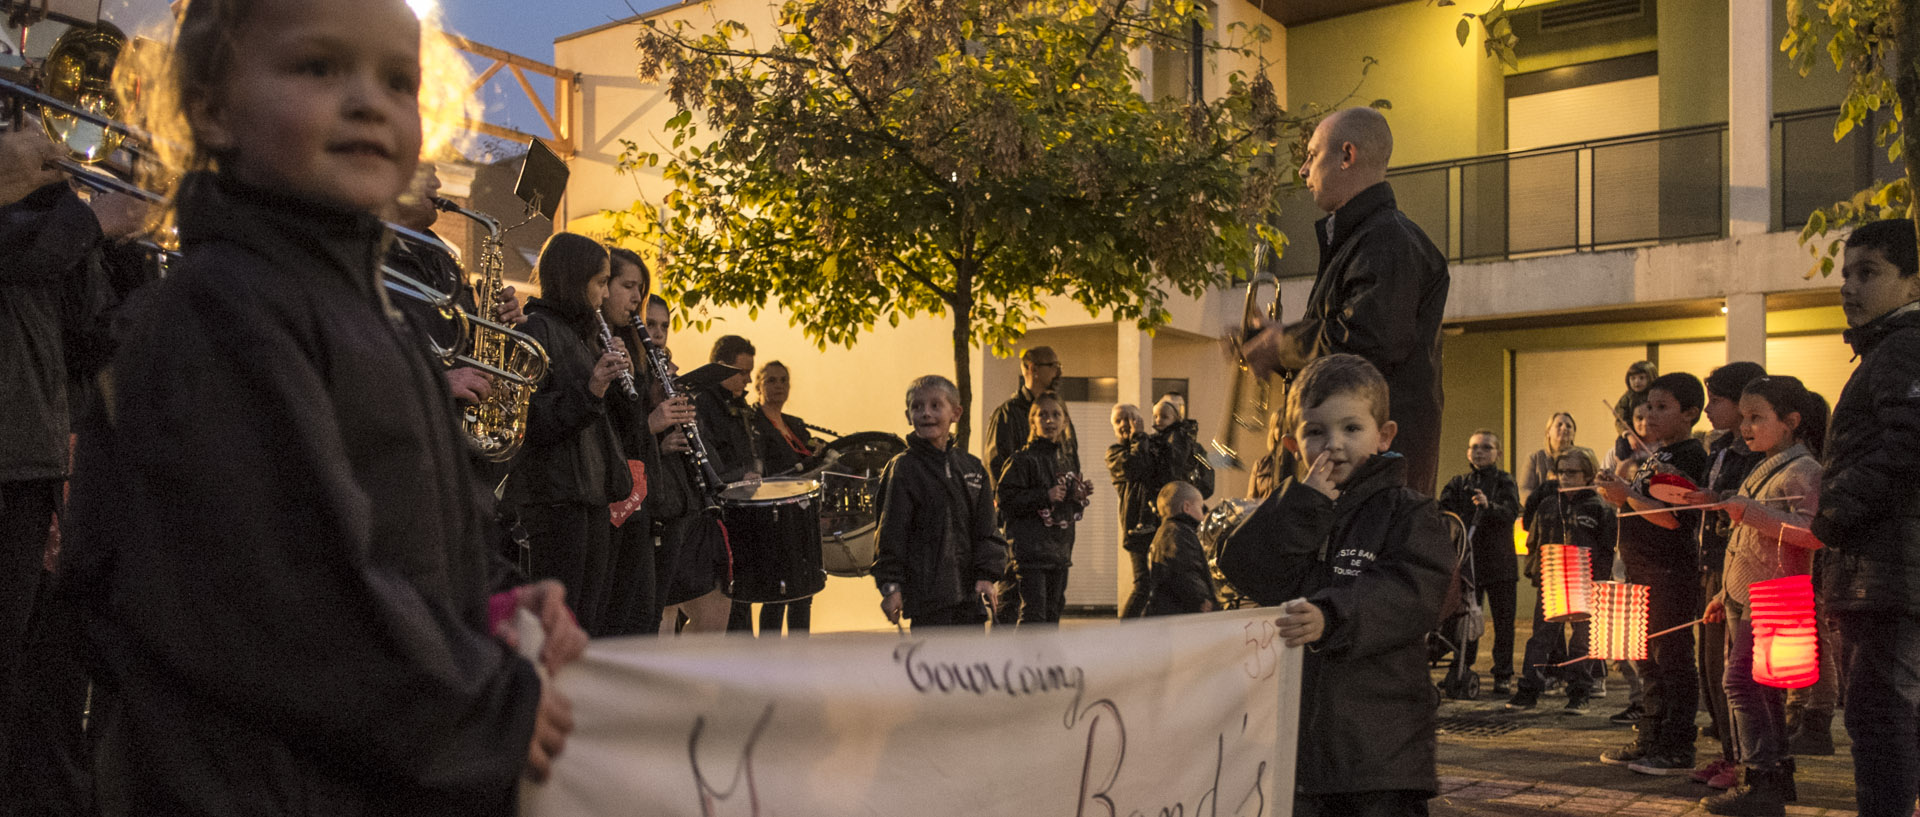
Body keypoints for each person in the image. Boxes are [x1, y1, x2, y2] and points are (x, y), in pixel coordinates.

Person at [56, 0, 585, 811]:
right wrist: (486, 704)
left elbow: (391, 539)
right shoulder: (223, 312)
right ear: (211, 106)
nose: (369, 100)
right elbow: (292, 604)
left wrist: (490, 610)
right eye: (317, 67)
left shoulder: (367, 310)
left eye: (398, 80)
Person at [1216, 354, 1453, 817]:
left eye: (1351, 429)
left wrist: (1333, 614)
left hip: (1381, 750)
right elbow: (1244, 565)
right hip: (1298, 746)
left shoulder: (1409, 512)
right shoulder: (1295, 507)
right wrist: (1301, 505)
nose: (1334, 445)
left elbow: (1413, 592)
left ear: (1383, 436)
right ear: (1292, 444)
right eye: (1315, 432)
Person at [1240, 106, 1450, 497]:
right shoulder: (1369, 239)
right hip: (1359, 482)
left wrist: (1281, 343)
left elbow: (1364, 346)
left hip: (1371, 487)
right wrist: (1276, 346)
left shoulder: (1387, 241)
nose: (1303, 170)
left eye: (1311, 155)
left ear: (1347, 155)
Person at [1814, 218, 1920, 817]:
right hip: (1882, 572)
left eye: (1869, 272)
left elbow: (1909, 444)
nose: (1850, 287)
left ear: (1912, 282)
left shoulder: (1903, 346)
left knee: (1881, 719)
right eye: (1846, 274)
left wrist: (1833, 510)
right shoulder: (1889, 349)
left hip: (1888, 575)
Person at [1695, 375, 1827, 816]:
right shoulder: (1764, 464)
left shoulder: (1805, 469)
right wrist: (1724, 595)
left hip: (1774, 596)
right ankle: (1773, 777)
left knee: (1741, 683)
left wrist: (1751, 512)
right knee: (1761, 690)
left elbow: (1812, 534)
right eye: (1745, 417)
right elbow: (1746, 542)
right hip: (1744, 594)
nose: (1746, 426)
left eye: (1757, 418)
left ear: (1791, 421)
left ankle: (1760, 778)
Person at [503, 234, 631, 636]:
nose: (606, 292)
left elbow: (610, 423)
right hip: (555, 501)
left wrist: (619, 382)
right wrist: (592, 388)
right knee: (562, 622)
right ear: (574, 281)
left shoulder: (584, 335)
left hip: (588, 496)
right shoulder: (538, 329)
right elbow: (530, 421)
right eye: (600, 281)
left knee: (586, 622)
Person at [1596, 371, 1711, 776]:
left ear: (1691, 413)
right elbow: (1639, 502)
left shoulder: (1692, 456)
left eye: (1663, 407)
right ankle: (1650, 738)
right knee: (1646, 659)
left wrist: (1626, 496)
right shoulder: (1657, 455)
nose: (1651, 415)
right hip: (1640, 567)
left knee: (1672, 657)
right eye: (1648, 407)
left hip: (1669, 569)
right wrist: (1620, 490)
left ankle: (1678, 745)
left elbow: (1674, 520)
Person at [1686, 361, 1769, 789]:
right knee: (1711, 666)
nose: (1707, 409)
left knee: (1735, 670)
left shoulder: (1757, 454)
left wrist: (1717, 501)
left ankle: (1748, 761)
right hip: (1711, 561)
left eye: (1715, 400)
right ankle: (1727, 751)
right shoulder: (1718, 448)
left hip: (1737, 566)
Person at [873, 375, 1005, 630]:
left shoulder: (972, 468)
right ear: (908, 415)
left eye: (936, 406)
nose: (926, 413)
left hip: (969, 598)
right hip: (927, 601)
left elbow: (987, 529)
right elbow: (890, 533)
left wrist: (987, 575)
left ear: (956, 413)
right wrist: (891, 587)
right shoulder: (903, 468)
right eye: (917, 407)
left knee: (970, 668)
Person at [1510, 449, 1614, 712]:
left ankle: (1579, 693)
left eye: (1572, 472)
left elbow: (1607, 548)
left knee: (1582, 641)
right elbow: (1534, 540)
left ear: (1588, 474)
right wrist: (1537, 574)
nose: (1565, 478)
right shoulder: (1548, 504)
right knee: (1541, 638)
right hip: (1553, 580)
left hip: (1586, 582)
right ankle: (1528, 690)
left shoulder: (1599, 507)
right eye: (1561, 471)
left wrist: (1599, 582)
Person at [985, 345, 1077, 623]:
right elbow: (997, 468)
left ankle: (1041, 663)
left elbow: (1073, 462)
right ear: (1031, 369)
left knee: (1049, 608)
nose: (1059, 371)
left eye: (1055, 416)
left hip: (1056, 534)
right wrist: (1036, 495)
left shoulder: (1062, 413)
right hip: (1025, 532)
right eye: (1053, 365)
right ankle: (1004, 659)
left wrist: (1074, 493)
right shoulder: (1007, 414)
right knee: (1017, 598)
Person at [599, 246, 664, 637]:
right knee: (614, 613)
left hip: (639, 489)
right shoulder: (597, 341)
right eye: (628, 286)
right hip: (610, 492)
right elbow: (617, 425)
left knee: (641, 612)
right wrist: (652, 422)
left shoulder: (634, 346)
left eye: (641, 287)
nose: (637, 298)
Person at [1438, 430, 1521, 697]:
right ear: (1467, 452)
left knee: (1504, 622)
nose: (1479, 452)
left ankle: (1503, 675)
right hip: (1468, 564)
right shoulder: (1458, 483)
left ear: (1497, 452)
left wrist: (1489, 506)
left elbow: (1510, 512)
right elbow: (1443, 512)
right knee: (1463, 619)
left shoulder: (1504, 481)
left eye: (1486, 447)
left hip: (1500, 564)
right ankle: (1460, 668)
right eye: (1474, 447)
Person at [996, 394, 1091, 625]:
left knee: (1053, 613)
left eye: (1056, 414)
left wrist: (1078, 497)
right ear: (1032, 422)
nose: (1050, 421)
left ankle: (1046, 661)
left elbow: (1069, 510)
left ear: (1065, 421)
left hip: (1060, 550)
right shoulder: (1022, 460)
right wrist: (1043, 496)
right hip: (1031, 553)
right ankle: (1027, 661)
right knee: (1034, 614)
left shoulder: (1067, 460)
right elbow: (1004, 499)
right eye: (1043, 415)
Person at [751, 360, 818, 636]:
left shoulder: (796, 426)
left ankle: (800, 661)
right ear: (758, 386)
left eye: (783, 380)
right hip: (772, 516)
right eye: (771, 380)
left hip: (801, 514)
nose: (778, 386)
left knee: (805, 590)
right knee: (777, 591)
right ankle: (770, 661)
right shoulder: (752, 422)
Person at [1109, 403, 1163, 618]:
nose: (1125, 424)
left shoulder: (1153, 447)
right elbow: (1134, 467)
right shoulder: (1114, 453)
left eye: (1130, 418)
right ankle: (1125, 637)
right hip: (1136, 529)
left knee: (1159, 588)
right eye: (1119, 420)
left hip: (1160, 526)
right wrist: (1139, 437)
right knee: (1143, 585)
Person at [1144, 481, 1214, 616]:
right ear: (1186, 507)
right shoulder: (1179, 534)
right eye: (1200, 507)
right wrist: (1203, 601)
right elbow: (1186, 572)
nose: (1203, 514)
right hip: (1178, 615)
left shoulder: (1164, 532)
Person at [1519, 412, 1595, 506]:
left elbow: (1594, 486)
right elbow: (1523, 491)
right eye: (1559, 425)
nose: (1564, 428)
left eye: (1568, 426)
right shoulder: (1534, 459)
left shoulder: (1584, 456)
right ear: (1548, 432)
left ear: (1573, 434)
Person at [1615, 360, 1658, 434]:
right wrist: (1627, 432)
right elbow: (1621, 417)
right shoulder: (1628, 397)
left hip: (1655, 433)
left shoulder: (1657, 395)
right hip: (1631, 431)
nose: (1637, 381)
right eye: (1633, 378)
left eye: (1641, 378)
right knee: (1622, 442)